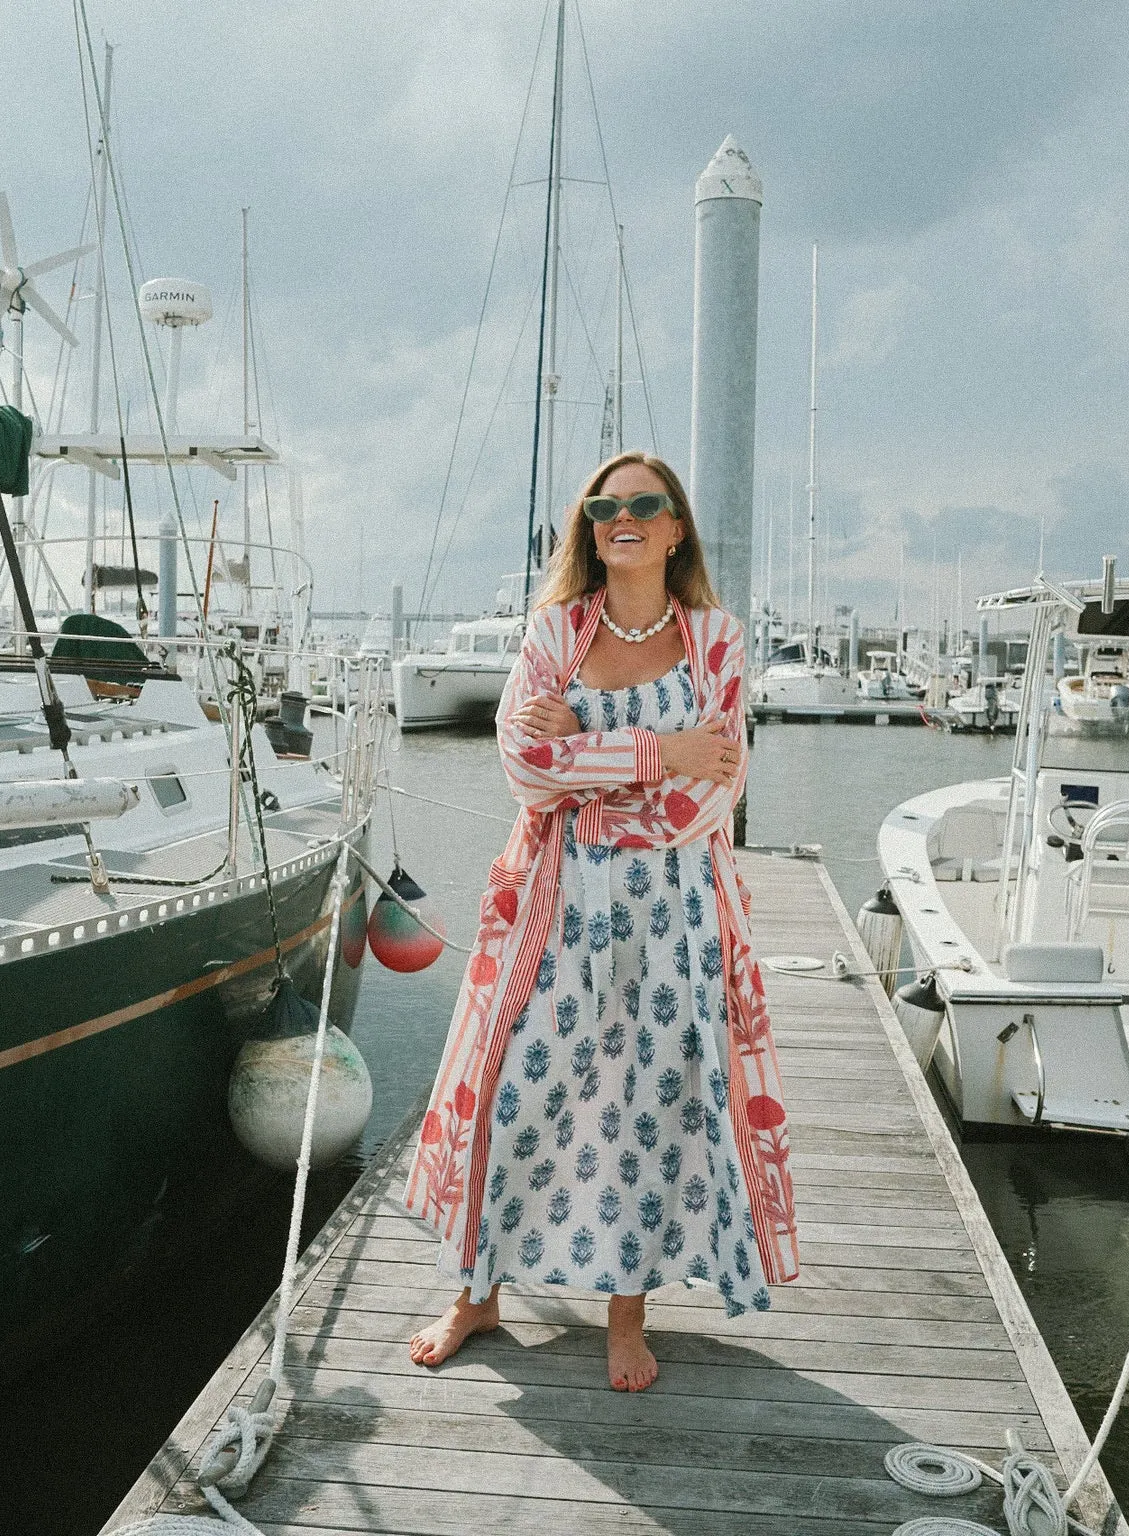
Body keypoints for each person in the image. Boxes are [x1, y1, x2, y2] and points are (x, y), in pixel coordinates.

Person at [402, 450, 799, 1392]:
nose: (624, 518)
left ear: (675, 530)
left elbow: (713, 792)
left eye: (645, 505)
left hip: (675, 917)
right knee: (513, 1087)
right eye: (603, 506)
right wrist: (656, 750)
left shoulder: (717, 642)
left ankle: (628, 1312)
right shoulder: (554, 632)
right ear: (588, 528)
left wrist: (585, 757)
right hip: (551, 905)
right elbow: (524, 768)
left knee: (650, 1106)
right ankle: (477, 1292)